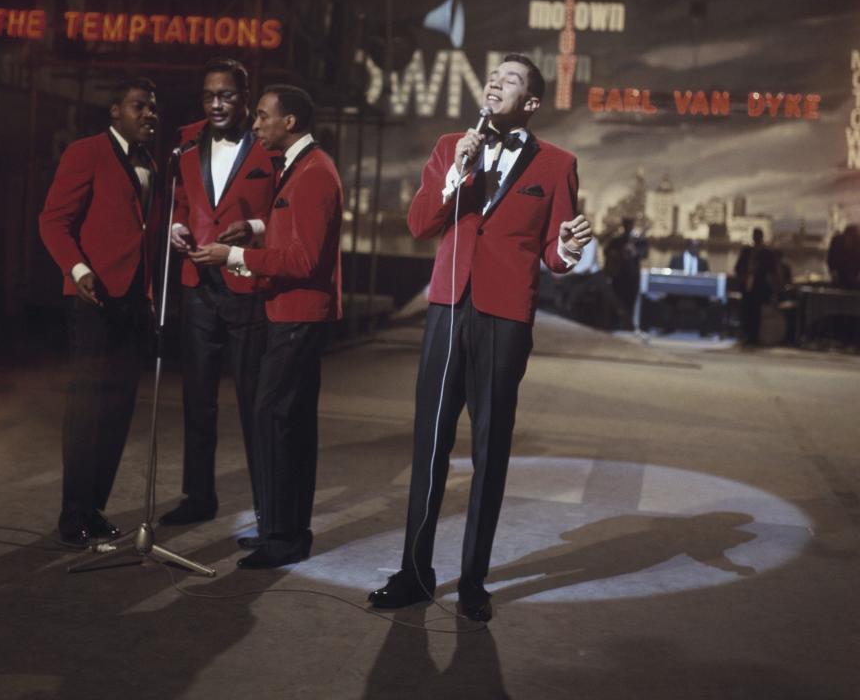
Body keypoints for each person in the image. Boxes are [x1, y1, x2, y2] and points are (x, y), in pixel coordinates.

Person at [367, 54, 591, 622]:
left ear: (532, 102)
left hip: (505, 317)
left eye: (510, 80)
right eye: (493, 76)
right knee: (430, 445)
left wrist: (567, 248)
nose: (495, 83)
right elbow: (421, 225)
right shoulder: (451, 146)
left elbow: (552, 252)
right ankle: (414, 573)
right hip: (447, 307)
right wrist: (453, 174)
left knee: (490, 451)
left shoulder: (558, 164)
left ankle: (473, 580)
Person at [198, 85, 343, 568]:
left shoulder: (314, 174)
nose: (254, 124)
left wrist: (232, 255)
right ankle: (283, 531)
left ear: (290, 122)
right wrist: (256, 229)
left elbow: (303, 260)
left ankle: (282, 537)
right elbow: (295, 228)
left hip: (298, 314)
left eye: (262, 117)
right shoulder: (303, 168)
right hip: (293, 312)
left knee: (274, 419)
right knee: (287, 422)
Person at [39, 77, 160, 547]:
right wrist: (78, 267)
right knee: (86, 408)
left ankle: (94, 507)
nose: (148, 114)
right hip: (92, 298)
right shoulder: (86, 151)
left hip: (133, 300)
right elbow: (52, 220)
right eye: (138, 106)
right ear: (115, 111)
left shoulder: (151, 160)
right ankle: (72, 512)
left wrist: (147, 296)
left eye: (153, 108)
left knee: (118, 408)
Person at [160, 58, 277, 527]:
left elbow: (286, 215)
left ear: (245, 98)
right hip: (198, 286)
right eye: (209, 96)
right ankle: (198, 496)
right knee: (197, 398)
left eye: (226, 95)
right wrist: (176, 226)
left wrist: (253, 228)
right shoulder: (187, 145)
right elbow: (184, 202)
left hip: (248, 283)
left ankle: (267, 504)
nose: (216, 104)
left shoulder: (269, 147)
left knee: (254, 401)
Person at [734, 227, 778, 347]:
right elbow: (738, 267)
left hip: (759, 287)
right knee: (746, 311)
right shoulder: (747, 251)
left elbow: (771, 272)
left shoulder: (767, 254)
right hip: (747, 285)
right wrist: (744, 276)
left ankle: (753, 336)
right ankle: (746, 334)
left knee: (756, 312)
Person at [605, 217, 647, 329]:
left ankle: (628, 325)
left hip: (632, 276)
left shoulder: (639, 241)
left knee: (631, 300)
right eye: (627, 224)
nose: (628, 227)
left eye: (630, 225)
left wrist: (634, 251)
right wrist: (620, 252)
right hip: (618, 275)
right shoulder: (616, 240)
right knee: (617, 300)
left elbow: (644, 254)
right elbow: (607, 252)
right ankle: (614, 324)